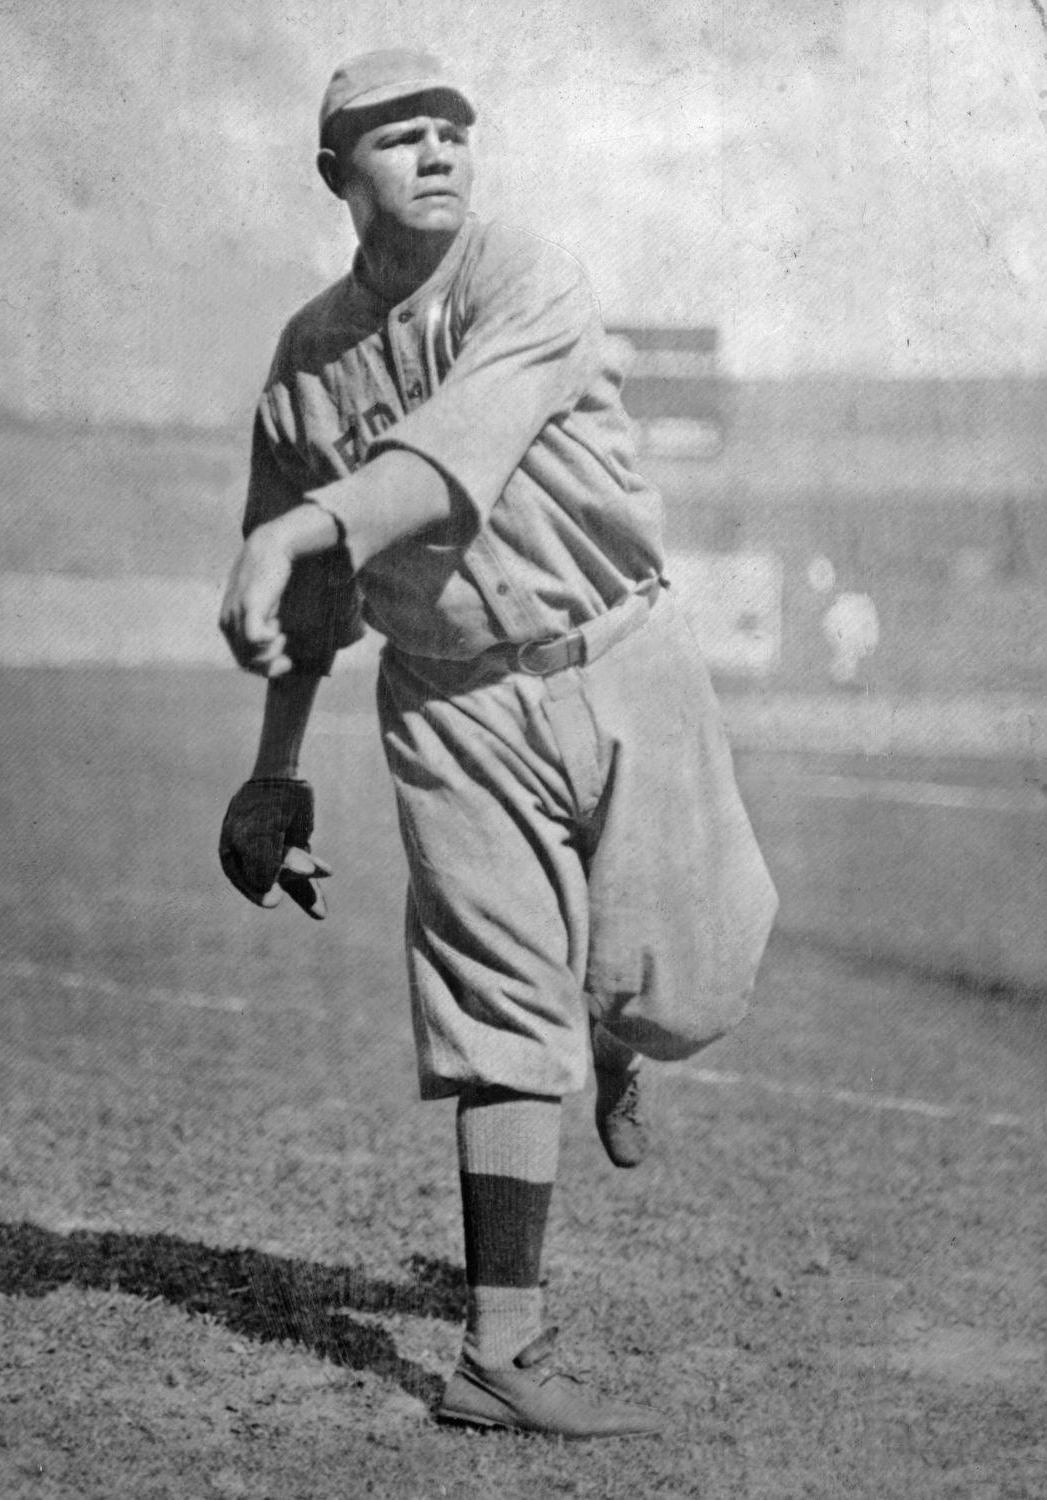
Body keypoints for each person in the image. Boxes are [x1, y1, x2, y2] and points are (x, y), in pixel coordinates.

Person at [217, 48, 778, 1440]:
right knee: (492, 1019)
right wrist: (276, 767)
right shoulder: (303, 363)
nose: (433, 154)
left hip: (617, 655)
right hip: (451, 700)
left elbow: (437, 461)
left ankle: (618, 1024)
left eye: (449, 130)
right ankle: (498, 1355)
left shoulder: (525, 274)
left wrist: (294, 523)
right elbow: (313, 601)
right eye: (393, 137)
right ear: (334, 171)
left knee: (688, 989)